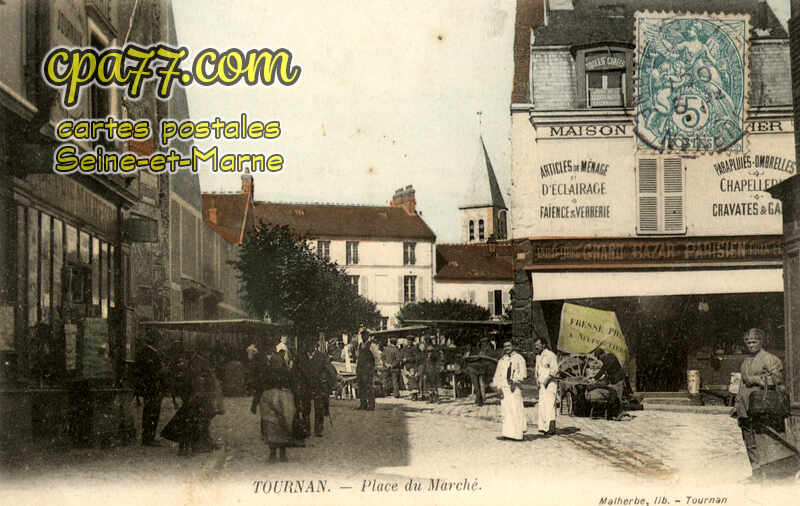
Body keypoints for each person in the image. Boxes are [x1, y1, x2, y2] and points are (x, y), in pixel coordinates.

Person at [734, 328, 798, 480]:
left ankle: (771, 473)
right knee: (749, 442)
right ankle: (756, 473)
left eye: (754, 341)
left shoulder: (770, 359)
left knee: (764, 440)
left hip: (762, 406)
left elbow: (778, 381)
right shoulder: (745, 361)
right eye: (748, 342)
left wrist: (755, 379)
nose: (751, 345)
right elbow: (742, 384)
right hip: (745, 407)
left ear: (761, 342)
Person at [251, 342, 296, 463]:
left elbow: (291, 381)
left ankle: (280, 453)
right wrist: (255, 403)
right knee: (273, 425)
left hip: (279, 397)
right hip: (270, 397)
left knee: (279, 424)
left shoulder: (278, 365)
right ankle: (276, 453)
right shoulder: (263, 363)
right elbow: (258, 384)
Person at [135, 329, 166, 447]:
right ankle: (149, 438)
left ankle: (148, 437)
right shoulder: (149, 354)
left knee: (150, 412)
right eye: (159, 339)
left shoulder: (148, 352)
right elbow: (151, 372)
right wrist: (161, 371)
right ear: (155, 340)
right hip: (152, 387)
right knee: (151, 413)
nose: (160, 342)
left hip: (151, 387)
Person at [491, 340, 527, 441]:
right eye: (505, 346)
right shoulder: (502, 360)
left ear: (513, 346)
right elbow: (497, 374)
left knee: (516, 409)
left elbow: (523, 374)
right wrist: (497, 387)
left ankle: (517, 435)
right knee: (506, 411)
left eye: (509, 346)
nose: (507, 348)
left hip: (514, 387)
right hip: (504, 388)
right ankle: (507, 433)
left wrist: (515, 381)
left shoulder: (519, 358)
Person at [585, 345, 625, 420]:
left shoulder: (609, 358)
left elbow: (603, 370)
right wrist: (595, 378)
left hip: (618, 379)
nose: (600, 360)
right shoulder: (608, 357)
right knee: (614, 395)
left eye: (599, 358)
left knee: (617, 396)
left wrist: (594, 379)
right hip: (613, 378)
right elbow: (605, 371)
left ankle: (618, 414)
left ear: (601, 355)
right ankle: (614, 414)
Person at [534, 337, 558, 436]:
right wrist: (537, 380)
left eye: (538, 345)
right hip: (541, 385)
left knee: (550, 405)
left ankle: (551, 429)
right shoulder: (538, 357)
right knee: (543, 406)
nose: (536, 347)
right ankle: (544, 427)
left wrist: (546, 381)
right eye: (535, 345)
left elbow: (554, 370)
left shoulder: (550, 355)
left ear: (543, 345)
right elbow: (537, 370)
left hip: (550, 384)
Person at [464, 337, 495, 406]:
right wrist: (469, 353)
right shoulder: (476, 350)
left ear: (488, 343)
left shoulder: (490, 350)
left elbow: (492, 360)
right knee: (476, 385)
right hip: (474, 369)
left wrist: (483, 356)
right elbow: (466, 358)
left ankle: (480, 399)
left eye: (485, 342)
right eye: (483, 343)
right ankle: (478, 400)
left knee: (481, 385)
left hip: (483, 370)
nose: (484, 344)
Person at [356, 331, 376, 410]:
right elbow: (358, 356)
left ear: (368, 336)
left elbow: (376, 357)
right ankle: (363, 404)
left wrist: (374, 368)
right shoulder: (360, 345)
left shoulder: (372, 345)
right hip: (360, 369)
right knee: (361, 387)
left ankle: (371, 405)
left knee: (369, 387)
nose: (363, 337)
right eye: (362, 335)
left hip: (368, 369)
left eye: (365, 335)